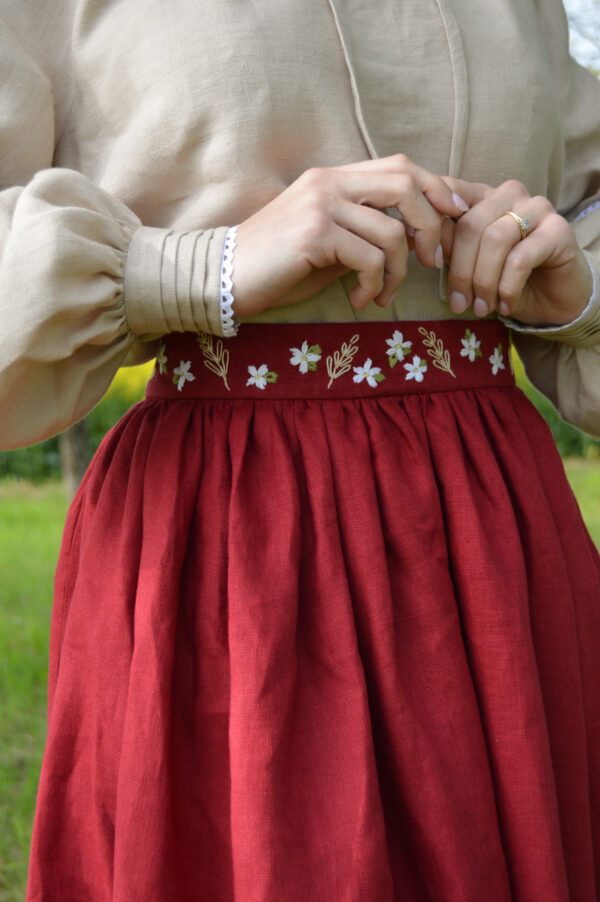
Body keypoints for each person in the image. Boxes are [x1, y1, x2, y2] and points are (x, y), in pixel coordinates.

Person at [1, 0, 599, 899]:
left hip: (494, 538)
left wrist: (570, 276)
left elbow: (585, 200)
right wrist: (203, 267)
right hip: (233, 544)